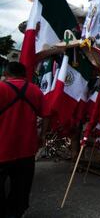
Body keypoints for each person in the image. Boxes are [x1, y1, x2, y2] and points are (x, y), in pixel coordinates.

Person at [0, 62, 49, 218]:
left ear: (6, 73)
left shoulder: (1, 88)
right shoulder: (36, 91)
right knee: (20, 187)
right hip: (27, 149)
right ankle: (15, 213)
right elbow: (46, 115)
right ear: (24, 75)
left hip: (2, 148)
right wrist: (42, 136)